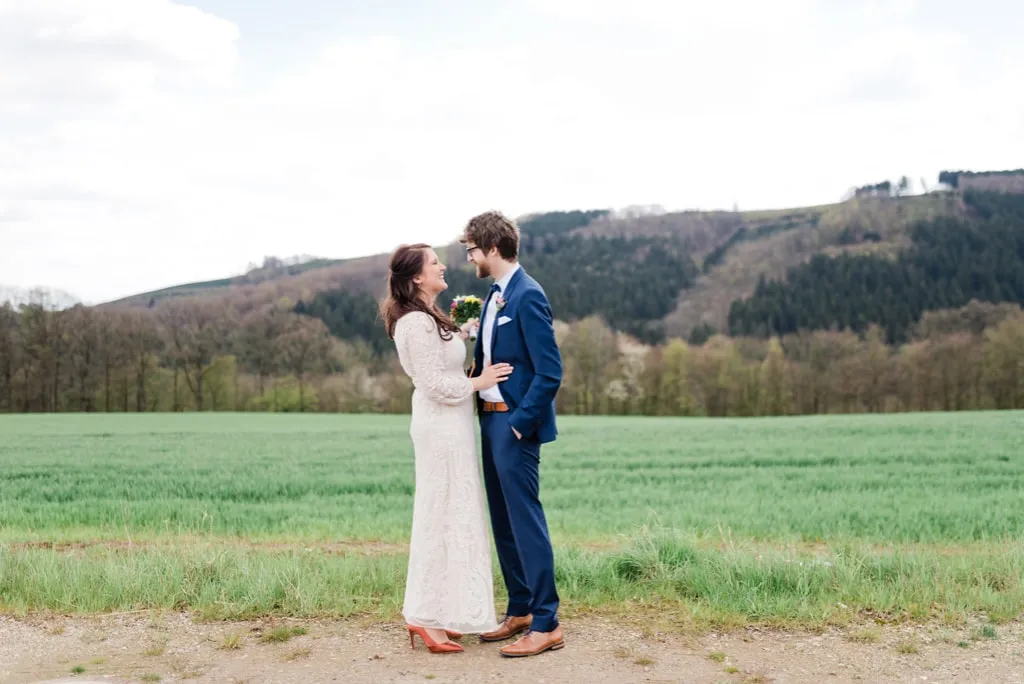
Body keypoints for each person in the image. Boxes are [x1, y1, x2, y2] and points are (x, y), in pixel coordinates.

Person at [381, 242, 511, 654]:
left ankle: (442, 611)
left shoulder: (430, 317)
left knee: (456, 515)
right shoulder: (413, 324)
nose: (442, 266)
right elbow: (433, 384)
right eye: (434, 262)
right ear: (416, 277)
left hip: (453, 425)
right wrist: (480, 380)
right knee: (439, 515)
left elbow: (446, 366)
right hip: (439, 427)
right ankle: (421, 616)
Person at [460, 211, 565, 658]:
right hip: (489, 419)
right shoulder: (494, 296)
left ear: (493, 249)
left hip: (514, 424)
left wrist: (521, 423)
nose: (469, 258)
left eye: (472, 250)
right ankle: (520, 608)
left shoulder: (527, 295)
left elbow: (550, 371)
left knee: (526, 522)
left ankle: (547, 622)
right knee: (503, 522)